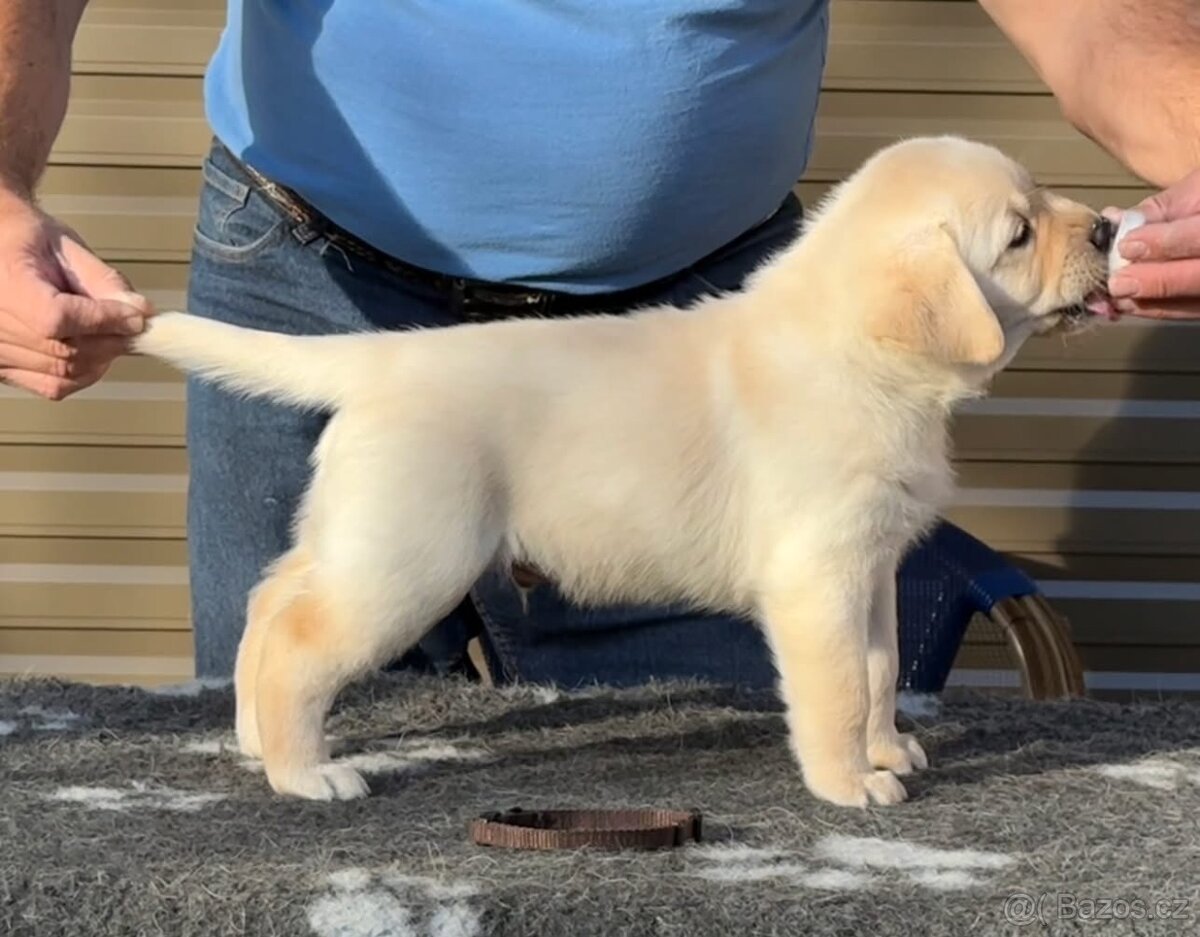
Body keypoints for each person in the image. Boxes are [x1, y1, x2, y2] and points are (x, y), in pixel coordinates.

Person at [1, 1, 1197, 682]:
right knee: (299, 766)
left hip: (698, 341)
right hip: (316, 285)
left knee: (718, 820)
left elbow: (1101, 23)